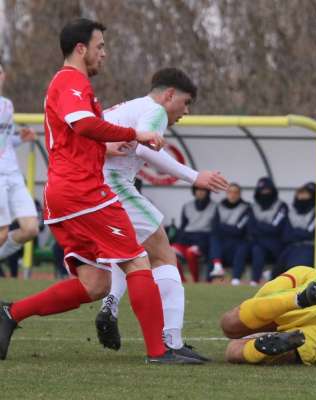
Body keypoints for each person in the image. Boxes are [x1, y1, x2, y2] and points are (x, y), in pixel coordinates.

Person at [0, 18, 199, 364]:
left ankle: (10, 314)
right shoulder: (71, 80)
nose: (103, 54)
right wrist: (133, 135)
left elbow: (77, 133)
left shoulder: (71, 85)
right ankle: (159, 351)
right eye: (100, 46)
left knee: (95, 284)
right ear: (81, 49)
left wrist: (103, 148)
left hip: (67, 193)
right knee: (137, 260)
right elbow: (83, 123)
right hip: (82, 192)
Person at [96, 67, 228, 360]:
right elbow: (146, 152)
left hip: (91, 188)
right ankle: (172, 342)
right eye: (186, 102)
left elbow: (92, 138)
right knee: (163, 254)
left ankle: (110, 303)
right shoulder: (154, 111)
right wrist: (195, 177)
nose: (186, 111)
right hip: (112, 185)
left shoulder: (127, 107)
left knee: (125, 256)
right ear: (169, 95)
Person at [220, 266, 316, 366]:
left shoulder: (296, 274)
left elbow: (257, 304)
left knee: (229, 330)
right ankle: (267, 348)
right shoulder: (301, 272)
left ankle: (296, 302)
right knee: (234, 347)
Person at [0, 61, 39, 262]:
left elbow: (4, 141)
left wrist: (19, 138)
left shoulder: (7, 105)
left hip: (13, 175)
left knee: (31, 228)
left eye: (0, 72)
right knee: (2, 233)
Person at [232, 177, 288, 285]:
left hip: (273, 244)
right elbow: (250, 226)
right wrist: (264, 227)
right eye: (262, 190)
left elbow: (275, 228)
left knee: (258, 249)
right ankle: (235, 279)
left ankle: (254, 281)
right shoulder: (253, 206)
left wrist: (259, 226)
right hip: (255, 241)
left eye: (267, 190)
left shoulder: (281, 206)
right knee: (242, 248)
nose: (264, 193)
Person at [173, 187, 217, 282]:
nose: (200, 192)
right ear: (194, 191)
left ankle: (195, 281)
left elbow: (214, 230)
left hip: (203, 241)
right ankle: (182, 281)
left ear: (208, 191)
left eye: (203, 189)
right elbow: (183, 227)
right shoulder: (187, 206)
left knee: (191, 253)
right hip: (186, 239)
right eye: (197, 189)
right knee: (170, 252)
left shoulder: (215, 206)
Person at [208, 183, 250, 280]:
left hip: (238, 241)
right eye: (230, 192)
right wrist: (228, 228)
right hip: (223, 242)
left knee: (242, 247)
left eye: (235, 192)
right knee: (214, 238)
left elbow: (239, 230)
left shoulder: (246, 207)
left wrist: (222, 226)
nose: (232, 195)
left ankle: (235, 279)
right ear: (226, 193)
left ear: (239, 194)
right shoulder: (219, 206)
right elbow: (214, 227)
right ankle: (217, 266)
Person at [274, 182, 316, 278]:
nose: (302, 197)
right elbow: (285, 234)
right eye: (300, 193)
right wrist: (300, 232)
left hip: (308, 246)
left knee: (297, 268)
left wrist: (295, 232)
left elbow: (311, 234)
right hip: (290, 247)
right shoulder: (289, 210)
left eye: (306, 194)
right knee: (277, 272)